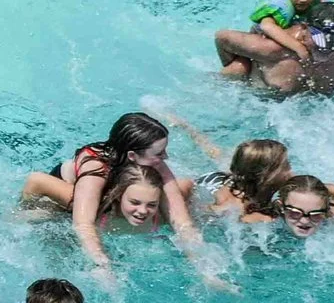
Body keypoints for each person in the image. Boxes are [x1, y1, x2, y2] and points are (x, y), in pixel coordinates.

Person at [18, 110, 216, 288]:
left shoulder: (153, 162)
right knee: (66, 232)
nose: (166, 157)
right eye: (159, 153)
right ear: (132, 156)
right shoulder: (95, 170)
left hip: (116, 191)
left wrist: (205, 270)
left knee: (180, 189)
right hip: (71, 192)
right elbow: (83, 223)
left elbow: (182, 221)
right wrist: (102, 265)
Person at [216, 0, 334, 95]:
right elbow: (267, 27)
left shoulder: (320, 4)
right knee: (238, 66)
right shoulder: (278, 6)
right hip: (260, 52)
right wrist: (298, 48)